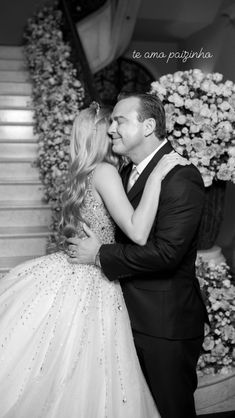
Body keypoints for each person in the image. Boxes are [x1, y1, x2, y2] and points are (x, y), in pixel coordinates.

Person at [0, 102, 188, 418]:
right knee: (92, 369)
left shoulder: (77, 174)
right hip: (94, 275)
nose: (116, 132)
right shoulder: (105, 171)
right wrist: (156, 179)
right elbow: (139, 233)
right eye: (111, 127)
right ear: (102, 135)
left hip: (67, 268)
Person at [67, 93, 209, 418]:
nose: (111, 128)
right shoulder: (125, 170)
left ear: (148, 126)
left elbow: (166, 254)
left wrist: (100, 254)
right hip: (123, 315)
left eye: (119, 120)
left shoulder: (180, 175)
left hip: (163, 326)